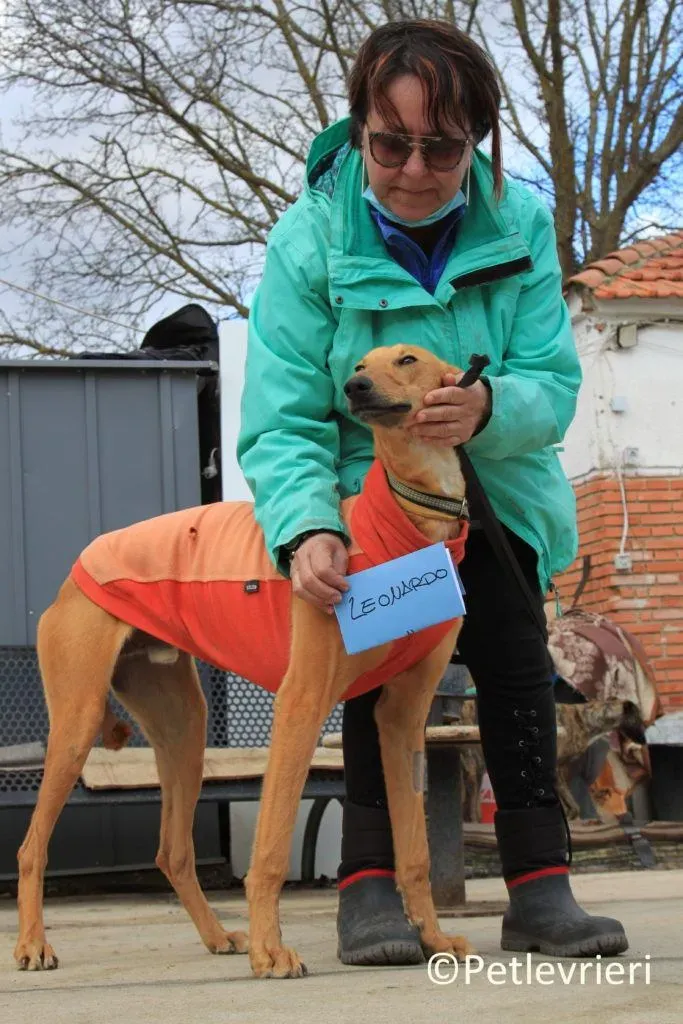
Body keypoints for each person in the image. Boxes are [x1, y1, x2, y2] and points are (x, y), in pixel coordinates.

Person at [237, 18, 628, 964]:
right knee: (380, 664)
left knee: (506, 644)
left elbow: (552, 382)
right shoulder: (308, 241)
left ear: (476, 142)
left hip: (494, 494)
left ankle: (540, 886)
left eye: (442, 146)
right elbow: (282, 415)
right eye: (390, 142)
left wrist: (488, 406)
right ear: (359, 128)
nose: (414, 169)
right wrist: (308, 529)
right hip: (366, 501)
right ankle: (368, 885)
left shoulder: (520, 223)